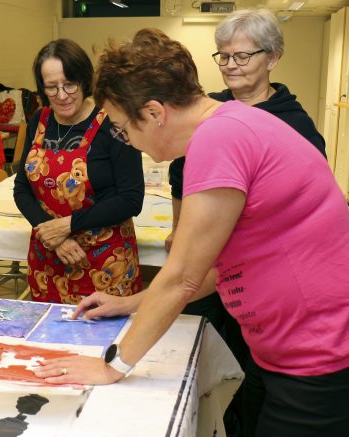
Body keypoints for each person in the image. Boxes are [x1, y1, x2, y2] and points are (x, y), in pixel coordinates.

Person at [33, 28, 349, 436]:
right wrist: (133, 303)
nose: (125, 140)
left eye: (120, 127)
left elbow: (182, 275)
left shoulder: (219, 138)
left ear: (154, 113)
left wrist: (113, 366)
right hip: (284, 350)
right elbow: (213, 267)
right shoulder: (233, 122)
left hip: (318, 355)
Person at [167, 10, 328, 433]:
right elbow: (181, 172)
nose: (231, 66)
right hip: (207, 265)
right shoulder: (213, 110)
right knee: (194, 344)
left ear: (273, 57)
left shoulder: (293, 122)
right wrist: (180, 227)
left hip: (258, 275)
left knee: (249, 365)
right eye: (223, 57)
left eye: (242, 57)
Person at [13, 39, 144, 304]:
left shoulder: (112, 123)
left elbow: (130, 198)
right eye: (51, 87)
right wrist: (53, 236)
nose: (61, 95)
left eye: (69, 84)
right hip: (49, 260)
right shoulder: (39, 120)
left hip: (104, 262)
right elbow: (22, 188)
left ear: (84, 80)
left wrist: (68, 225)